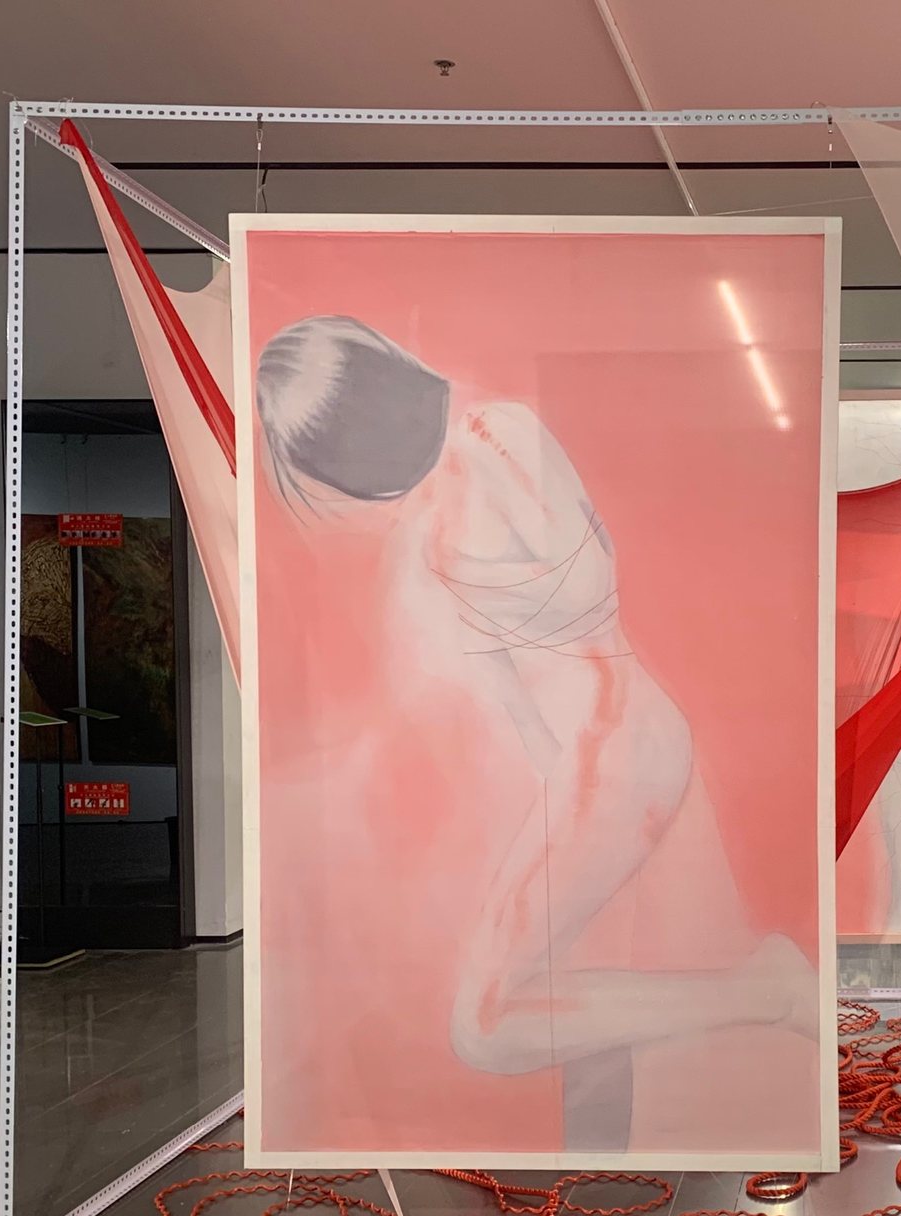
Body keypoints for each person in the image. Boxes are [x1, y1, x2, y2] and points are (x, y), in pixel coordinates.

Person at [255, 315, 816, 1150]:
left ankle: (765, 991)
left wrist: (463, 586)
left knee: (486, 1022)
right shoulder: (450, 495)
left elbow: (581, 590)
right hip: (596, 757)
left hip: (617, 749)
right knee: (568, 1007)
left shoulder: (484, 451)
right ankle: (731, 1022)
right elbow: (510, 692)